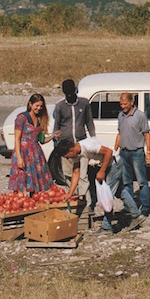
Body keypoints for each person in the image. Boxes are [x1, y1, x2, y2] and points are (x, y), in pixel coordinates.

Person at [57, 136, 145, 233]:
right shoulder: (76, 153)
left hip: (114, 164)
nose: (69, 159)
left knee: (106, 197)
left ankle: (106, 227)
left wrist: (102, 171)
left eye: (68, 156)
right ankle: (136, 215)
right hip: (109, 164)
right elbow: (76, 172)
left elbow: (109, 152)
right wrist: (70, 193)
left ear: (71, 150)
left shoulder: (88, 146)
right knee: (120, 192)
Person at [51, 78, 95, 208]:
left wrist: (93, 140)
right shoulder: (60, 106)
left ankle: (85, 201)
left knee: (83, 174)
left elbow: (89, 123)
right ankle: (73, 196)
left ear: (75, 90)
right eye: (67, 93)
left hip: (82, 145)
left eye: (71, 93)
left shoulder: (84, 103)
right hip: (66, 147)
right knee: (68, 174)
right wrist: (57, 145)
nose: (69, 95)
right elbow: (56, 127)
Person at [114, 92, 150, 216]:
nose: (123, 106)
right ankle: (129, 206)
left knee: (141, 181)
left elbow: (146, 134)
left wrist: (148, 152)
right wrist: (115, 151)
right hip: (124, 153)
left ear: (131, 102)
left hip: (137, 152)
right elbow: (119, 134)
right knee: (126, 181)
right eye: (121, 104)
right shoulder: (120, 115)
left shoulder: (140, 116)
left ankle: (145, 207)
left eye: (125, 104)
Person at [9, 93, 53, 194]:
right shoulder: (22, 118)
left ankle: (34, 204)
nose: (39, 108)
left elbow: (41, 140)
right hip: (23, 152)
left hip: (36, 153)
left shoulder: (40, 119)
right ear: (30, 104)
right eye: (36, 106)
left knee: (35, 183)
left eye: (41, 106)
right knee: (21, 182)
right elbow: (17, 138)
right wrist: (19, 158)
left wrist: (53, 136)